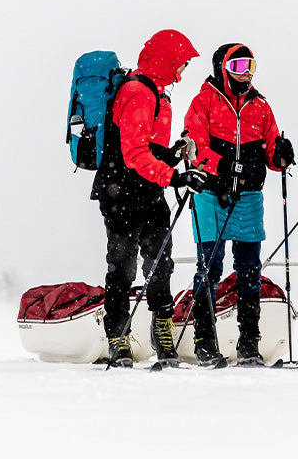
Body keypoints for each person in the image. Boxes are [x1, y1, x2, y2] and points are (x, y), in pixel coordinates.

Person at [91, 29, 206, 368]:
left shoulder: (159, 95)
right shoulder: (138, 92)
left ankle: (162, 329)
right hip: (122, 193)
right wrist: (176, 176)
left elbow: (150, 151)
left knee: (160, 262)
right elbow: (134, 155)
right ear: (165, 60)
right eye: (180, 64)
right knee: (123, 265)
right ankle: (118, 336)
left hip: (147, 191)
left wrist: (174, 156)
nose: (182, 73)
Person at [183, 43, 295, 366]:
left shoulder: (260, 106)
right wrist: (224, 166)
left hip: (248, 198)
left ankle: (249, 342)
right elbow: (194, 147)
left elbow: (272, 150)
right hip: (210, 195)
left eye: (250, 65)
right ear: (223, 69)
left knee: (249, 269)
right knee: (210, 267)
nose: (245, 72)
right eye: (238, 65)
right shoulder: (203, 101)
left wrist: (281, 155)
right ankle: (205, 340)